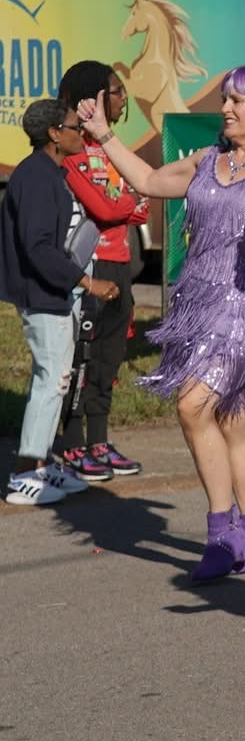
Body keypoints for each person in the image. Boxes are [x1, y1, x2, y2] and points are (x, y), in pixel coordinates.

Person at [79, 67, 245, 578]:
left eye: (237, 100)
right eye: (224, 98)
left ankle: (222, 537)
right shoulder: (208, 160)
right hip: (199, 305)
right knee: (230, 416)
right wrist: (103, 135)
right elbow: (147, 181)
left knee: (192, 404)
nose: (225, 108)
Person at [1, 99, 119, 506]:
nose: (80, 133)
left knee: (57, 380)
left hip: (53, 291)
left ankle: (40, 464)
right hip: (42, 293)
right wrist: (87, 282)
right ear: (54, 134)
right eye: (73, 127)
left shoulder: (49, 172)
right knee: (51, 380)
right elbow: (37, 247)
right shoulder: (36, 177)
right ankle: (24, 474)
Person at [53, 61, 148, 482]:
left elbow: (143, 205)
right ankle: (72, 443)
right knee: (82, 357)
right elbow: (107, 208)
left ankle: (99, 441)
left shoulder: (113, 148)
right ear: (92, 97)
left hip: (121, 264)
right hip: (89, 267)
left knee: (109, 358)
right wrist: (126, 204)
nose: (123, 98)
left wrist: (124, 205)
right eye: (116, 90)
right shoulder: (73, 149)